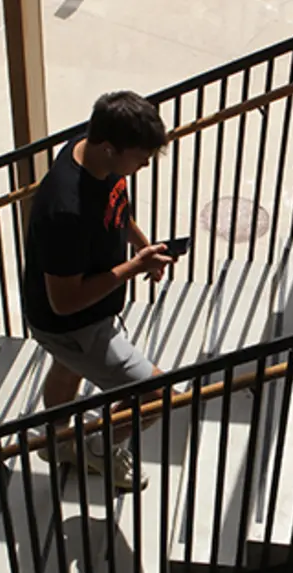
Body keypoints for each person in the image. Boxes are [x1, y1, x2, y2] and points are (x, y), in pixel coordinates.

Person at [21, 91, 176, 490]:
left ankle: (57, 441)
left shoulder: (89, 150)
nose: (145, 164)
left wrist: (142, 246)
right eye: (141, 157)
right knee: (156, 396)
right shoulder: (65, 210)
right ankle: (98, 450)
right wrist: (133, 268)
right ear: (109, 148)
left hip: (76, 320)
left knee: (67, 366)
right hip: (72, 324)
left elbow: (117, 205)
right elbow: (65, 302)